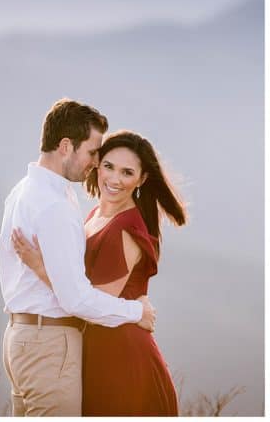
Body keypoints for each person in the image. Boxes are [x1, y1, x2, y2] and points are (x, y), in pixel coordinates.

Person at [0, 98, 156, 416]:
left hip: (23, 338)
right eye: (93, 152)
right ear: (67, 146)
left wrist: (42, 267)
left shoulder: (27, 190)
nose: (96, 163)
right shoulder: (52, 204)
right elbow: (76, 299)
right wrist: (136, 311)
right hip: (49, 344)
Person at [12, 130, 187, 416]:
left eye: (127, 172)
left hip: (121, 358)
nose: (114, 179)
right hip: (92, 350)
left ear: (141, 180)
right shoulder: (95, 215)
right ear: (97, 165)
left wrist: (40, 267)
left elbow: (88, 302)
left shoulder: (126, 229)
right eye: (109, 166)